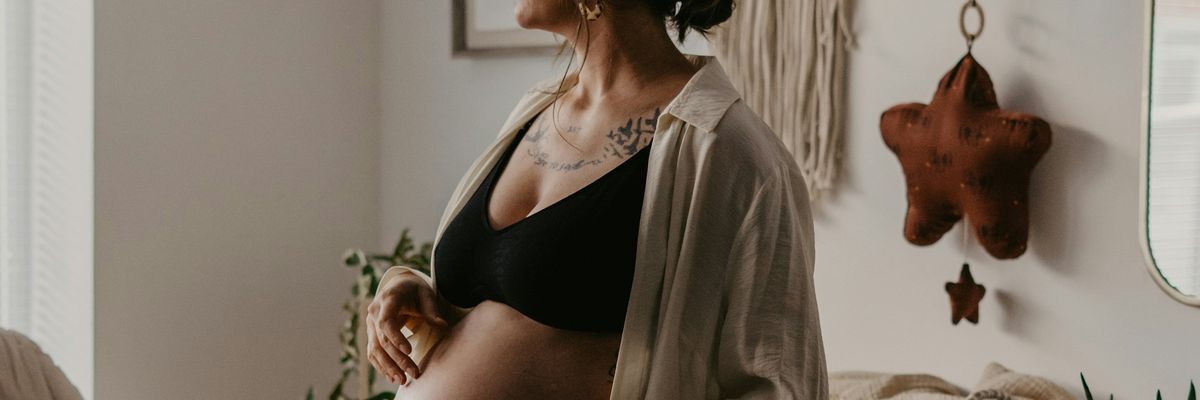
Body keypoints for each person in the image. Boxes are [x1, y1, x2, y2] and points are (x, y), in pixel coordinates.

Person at [365, 1, 827, 398]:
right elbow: (512, 294)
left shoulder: (733, 153)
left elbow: (779, 378)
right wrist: (417, 290)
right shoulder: (538, 109)